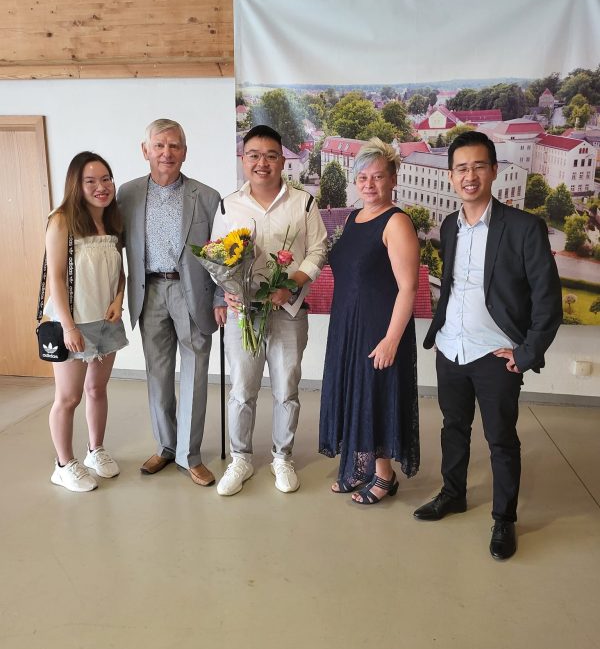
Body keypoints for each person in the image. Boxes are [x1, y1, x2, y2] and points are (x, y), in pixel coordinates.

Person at [414, 131, 562, 559]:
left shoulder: (524, 228)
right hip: (451, 348)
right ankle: (453, 494)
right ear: (451, 176)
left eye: (479, 166)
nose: (470, 175)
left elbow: (548, 301)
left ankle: (504, 519)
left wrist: (526, 353)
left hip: (495, 354)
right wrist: (443, 335)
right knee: (453, 427)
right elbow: (455, 287)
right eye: (461, 168)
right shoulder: (449, 225)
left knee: (501, 439)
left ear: (494, 170)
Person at [212, 125, 328, 496]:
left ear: (281, 160)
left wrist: (290, 284)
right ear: (243, 159)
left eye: (271, 155)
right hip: (243, 315)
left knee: (286, 389)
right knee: (241, 390)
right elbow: (217, 254)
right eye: (254, 155)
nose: (262, 163)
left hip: (288, 312)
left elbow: (319, 250)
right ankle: (241, 458)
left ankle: (282, 457)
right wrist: (227, 292)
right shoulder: (229, 204)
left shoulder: (303, 202)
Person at [117, 119, 220, 486]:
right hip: (149, 292)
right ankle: (165, 446)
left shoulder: (207, 197)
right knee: (158, 373)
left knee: (194, 373)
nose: (166, 153)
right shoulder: (127, 194)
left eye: (174, 146)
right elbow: (113, 247)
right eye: (159, 145)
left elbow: (222, 255)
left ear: (185, 152)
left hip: (191, 292)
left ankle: (189, 455)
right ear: (145, 150)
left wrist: (221, 296)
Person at [319, 138, 420, 504]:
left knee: (374, 396)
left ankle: (385, 476)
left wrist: (392, 339)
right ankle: (360, 468)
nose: (369, 184)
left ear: (393, 178)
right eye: (362, 177)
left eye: (378, 176)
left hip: (379, 326)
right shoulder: (354, 217)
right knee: (356, 394)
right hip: (348, 324)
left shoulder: (397, 223)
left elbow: (408, 287)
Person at [46, 152, 128, 492]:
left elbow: (119, 271)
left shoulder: (113, 220)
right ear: (76, 185)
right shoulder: (61, 220)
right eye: (90, 181)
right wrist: (68, 327)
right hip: (74, 323)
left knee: (97, 389)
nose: (101, 187)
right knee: (68, 398)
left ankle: (96, 450)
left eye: (106, 179)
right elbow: (55, 278)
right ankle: (63, 464)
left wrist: (119, 301)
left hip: (106, 321)